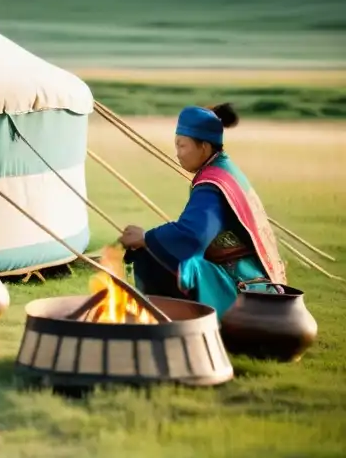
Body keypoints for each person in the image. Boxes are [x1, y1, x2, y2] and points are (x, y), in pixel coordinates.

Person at [118, 103, 286, 317]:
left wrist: (146, 238)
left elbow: (193, 236)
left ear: (204, 147)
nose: (177, 153)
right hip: (253, 274)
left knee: (150, 255)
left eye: (182, 146)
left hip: (239, 284)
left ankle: (174, 322)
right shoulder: (225, 171)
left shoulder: (212, 184)